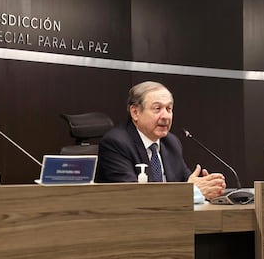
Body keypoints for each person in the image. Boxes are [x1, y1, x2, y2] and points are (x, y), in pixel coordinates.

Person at [95, 81, 226, 200]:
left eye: (169, 109)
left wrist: (208, 186)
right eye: (157, 109)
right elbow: (131, 196)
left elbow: (186, 182)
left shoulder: (171, 142)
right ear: (135, 112)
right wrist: (191, 191)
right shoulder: (116, 143)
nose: (165, 116)